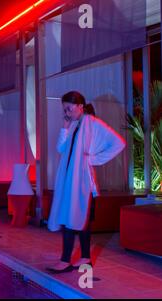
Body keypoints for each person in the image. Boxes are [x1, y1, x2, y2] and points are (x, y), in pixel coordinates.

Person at [46, 91, 125, 273]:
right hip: (69, 180)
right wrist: (64, 128)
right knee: (80, 219)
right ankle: (85, 258)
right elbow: (61, 149)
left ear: (80, 106)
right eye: (64, 108)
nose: (66, 111)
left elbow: (118, 143)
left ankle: (66, 260)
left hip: (83, 183)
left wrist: (92, 160)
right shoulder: (73, 124)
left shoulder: (94, 124)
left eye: (69, 107)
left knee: (74, 218)